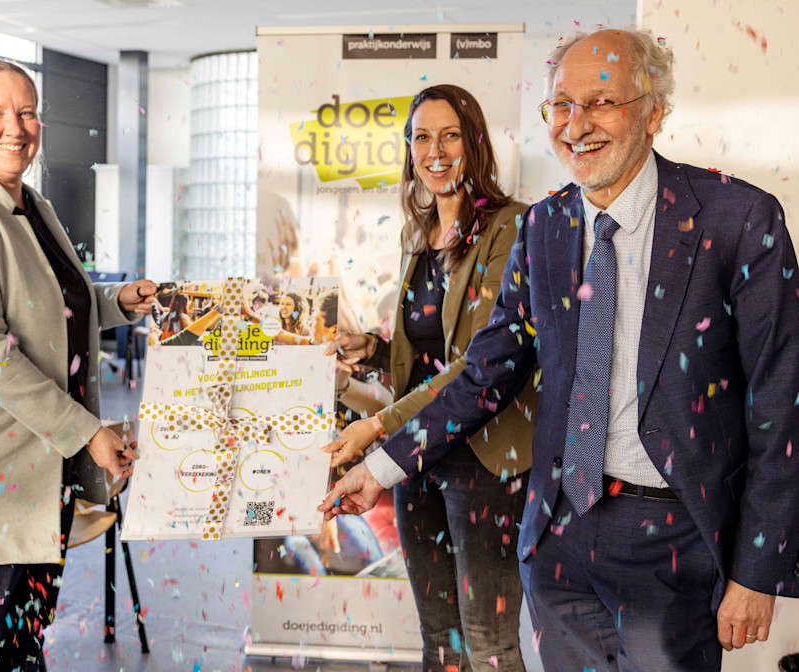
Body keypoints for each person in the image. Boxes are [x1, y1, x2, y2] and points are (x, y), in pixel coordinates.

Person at [320, 28, 799, 672]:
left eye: (601, 102)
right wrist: (380, 468)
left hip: (675, 542)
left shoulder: (738, 220)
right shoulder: (544, 227)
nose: (575, 126)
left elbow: (782, 404)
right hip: (559, 537)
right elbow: (483, 373)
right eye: (560, 105)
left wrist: (757, 572)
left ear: (654, 111)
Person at [0, 59, 155, 670]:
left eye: (27, 111)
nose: (15, 127)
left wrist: (118, 302)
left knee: (17, 652)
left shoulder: (30, 206)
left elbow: (50, 307)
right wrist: (89, 432)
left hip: (38, 478)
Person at [321, 84, 538, 672]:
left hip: (486, 462)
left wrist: (377, 427)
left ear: (475, 145)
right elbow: (431, 353)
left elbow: (478, 363)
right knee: (439, 638)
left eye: (450, 136)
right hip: (418, 456)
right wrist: (370, 349)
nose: (435, 150)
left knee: (488, 643)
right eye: (422, 136)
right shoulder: (417, 235)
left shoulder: (512, 229)